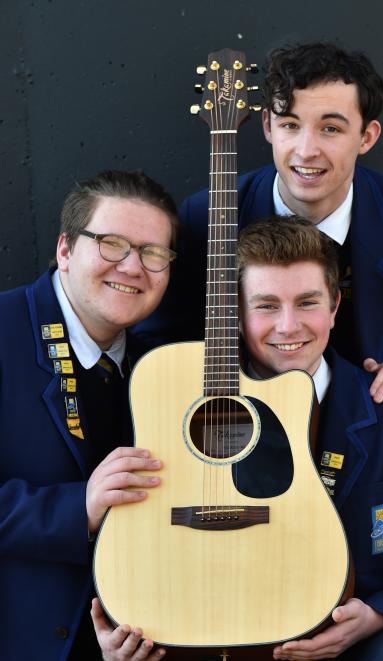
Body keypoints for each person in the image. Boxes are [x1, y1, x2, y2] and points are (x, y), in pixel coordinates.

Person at [93, 217, 383, 661]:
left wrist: (373, 616)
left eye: (307, 303)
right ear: (236, 314)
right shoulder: (170, 401)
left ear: (335, 306)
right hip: (210, 631)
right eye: (267, 305)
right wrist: (126, 628)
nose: (288, 326)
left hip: (355, 643)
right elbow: (131, 534)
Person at [135, 42, 383, 403]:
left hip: (362, 419)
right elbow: (160, 337)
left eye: (330, 129)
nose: (306, 150)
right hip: (238, 425)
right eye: (290, 124)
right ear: (268, 126)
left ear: (366, 137)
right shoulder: (204, 216)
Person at [0, 170, 178, 661]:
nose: (133, 267)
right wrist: (79, 508)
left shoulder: (159, 365)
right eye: (112, 243)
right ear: (64, 250)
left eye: (153, 253)